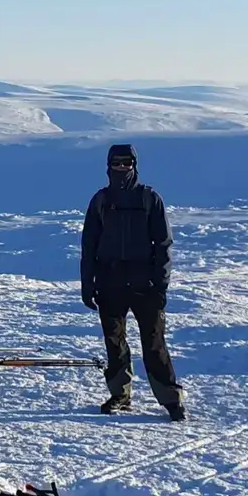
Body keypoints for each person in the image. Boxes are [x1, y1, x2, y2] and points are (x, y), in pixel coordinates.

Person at [82, 143, 185, 421]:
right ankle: (120, 395)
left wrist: (160, 284)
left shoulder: (149, 198)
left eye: (127, 163)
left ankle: (171, 400)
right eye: (117, 163)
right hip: (109, 282)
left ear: (135, 165)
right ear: (109, 166)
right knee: (115, 344)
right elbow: (89, 244)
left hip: (145, 285)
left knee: (154, 345)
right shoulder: (101, 200)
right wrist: (87, 284)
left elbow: (164, 243)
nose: (122, 168)